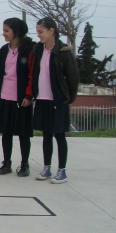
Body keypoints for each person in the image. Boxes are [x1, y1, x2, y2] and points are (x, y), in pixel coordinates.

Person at [32, 17, 80, 184]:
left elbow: (74, 79)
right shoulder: (38, 50)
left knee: (59, 135)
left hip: (58, 100)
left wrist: (67, 98)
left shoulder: (64, 52)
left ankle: (62, 171)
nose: (38, 35)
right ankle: (47, 167)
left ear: (51, 31)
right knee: (46, 135)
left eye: (41, 32)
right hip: (42, 98)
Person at [0, 18, 35, 177]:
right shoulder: (3, 50)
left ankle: (24, 164)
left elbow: (32, 75)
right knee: (6, 132)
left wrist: (28, 95)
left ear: (16, 32)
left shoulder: (29, 50)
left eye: (6, 31)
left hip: (22, 99)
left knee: (23, 133)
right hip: (5, 96)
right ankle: (7, 163)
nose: (3, 33)